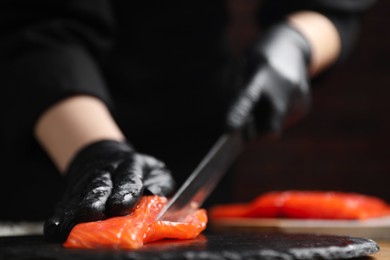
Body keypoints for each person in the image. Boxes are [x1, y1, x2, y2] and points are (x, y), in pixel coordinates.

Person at [0, 0, 375, 242]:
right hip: (57, 139)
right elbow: (35, 28)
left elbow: (338, 7)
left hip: (198, 126)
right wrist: (95, 150)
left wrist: (299, 40)